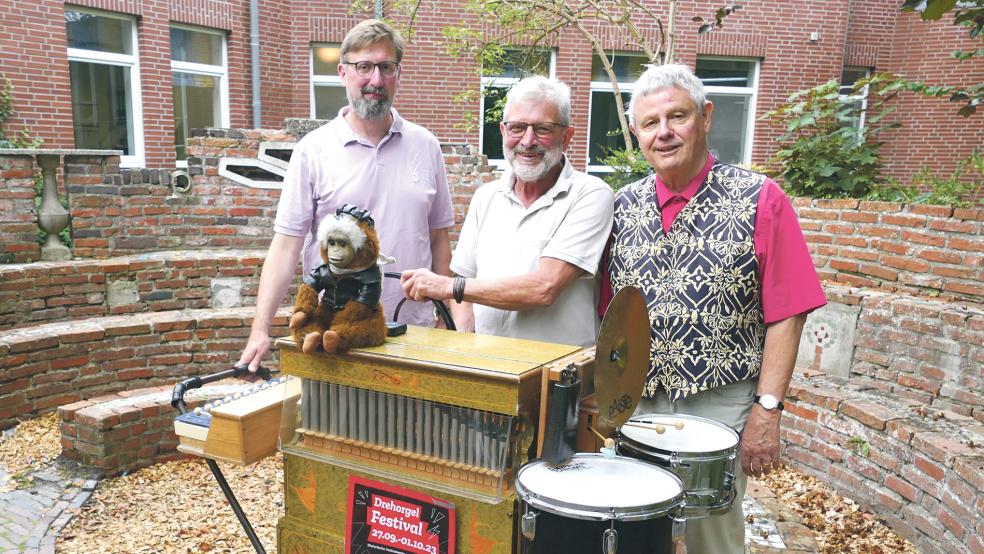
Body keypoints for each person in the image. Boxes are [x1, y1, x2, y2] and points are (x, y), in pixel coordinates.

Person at [601, 64, 826, 553]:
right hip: (638, 401)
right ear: (635, 132)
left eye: (677, 116)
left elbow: (788, 312)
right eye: (649, 123)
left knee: (710, 535)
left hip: (718, 403)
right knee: (637, 528)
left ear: (704, 117)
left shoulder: (761, 199)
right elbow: (608, 315)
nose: (664, 132)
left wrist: (768, 410)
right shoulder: (621, 207)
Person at [238, 19, 453, 370]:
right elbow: (286, 246)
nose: (376, 80)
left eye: (386, 67)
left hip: (415, 332)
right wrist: (260, 329)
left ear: (398, 73)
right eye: (364, 67)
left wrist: (447, 319)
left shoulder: (426, 146)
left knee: (415, 426)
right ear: (343, 72)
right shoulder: (313, 150)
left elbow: (439, 239)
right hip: (333, 337)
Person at [401, 76, 613, 347]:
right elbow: (462, 282)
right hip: (490, 370)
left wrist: (448, 287)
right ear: (503, 131)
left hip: (556, 375)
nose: (527, 140)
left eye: (543, 129)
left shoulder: (590, 195)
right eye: (517, 127)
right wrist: (467, 342)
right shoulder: (485, 197)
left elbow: (544, 288)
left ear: (567, 136)